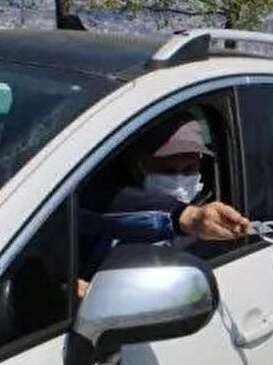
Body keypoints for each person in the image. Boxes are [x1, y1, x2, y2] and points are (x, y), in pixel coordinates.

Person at [77, 117, 249, 296]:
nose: (179, 179)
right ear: (139, 165)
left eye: (188, 169)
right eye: (168, 170)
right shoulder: (109, 208)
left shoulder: (215, 220)